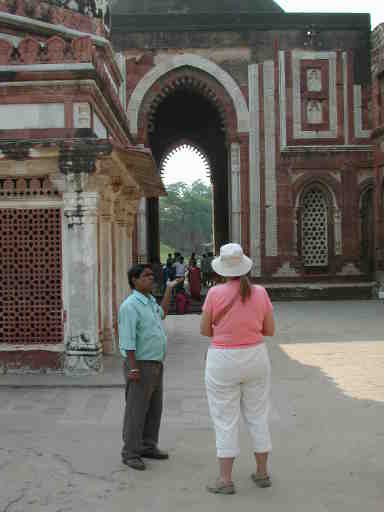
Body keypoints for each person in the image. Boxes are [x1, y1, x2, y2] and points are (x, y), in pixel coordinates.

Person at [200, 243, 275, 495]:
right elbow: (269, 330)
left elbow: (205, 330)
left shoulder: (214, 294)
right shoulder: (261, 292)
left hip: (222, 359)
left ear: (222, 270)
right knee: (258, 415)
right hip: (255, 357)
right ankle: (262, 472)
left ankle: (225, 479)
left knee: (224, 418)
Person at [118, 264, 182, 471]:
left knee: (154, 408)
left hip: (155, 362)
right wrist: (133, 368)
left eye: (152, 276)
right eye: (146, 276)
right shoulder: (130, 306)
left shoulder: (149, 302)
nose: (151, 279)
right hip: (140, 364)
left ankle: (148, 445)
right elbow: (127, 339)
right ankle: (130, 452)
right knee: (136, 410)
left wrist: (169, 289)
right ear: (134, 280)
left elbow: (162, 313)